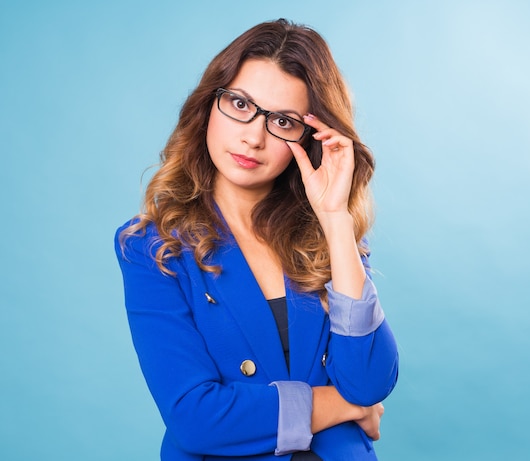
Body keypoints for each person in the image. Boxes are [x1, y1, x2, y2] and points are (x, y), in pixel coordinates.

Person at [114, 18, 398, 461]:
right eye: (241, 104)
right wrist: (342, 405)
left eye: (282, 121)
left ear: (310, 138)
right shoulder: (153, 247)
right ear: (210, 103)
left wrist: (335, 219)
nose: (254, 136)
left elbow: (370, 381)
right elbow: (197, 419)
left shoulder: (325, 239)